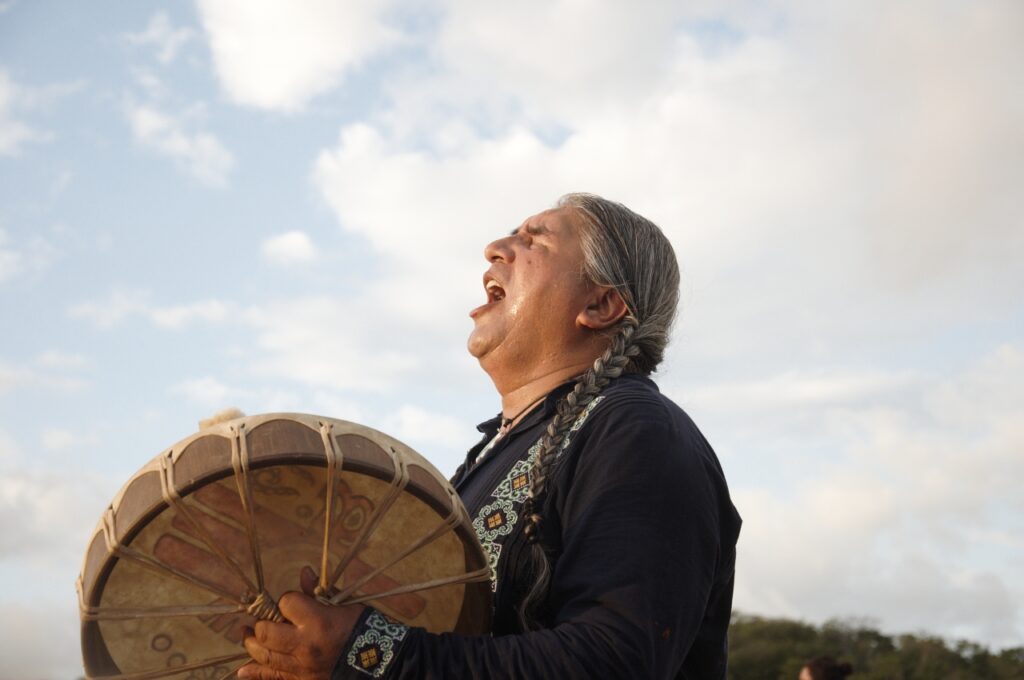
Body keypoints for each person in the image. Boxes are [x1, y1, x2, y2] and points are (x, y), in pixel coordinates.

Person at [237, 193, 742, 679]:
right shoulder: (496, 451)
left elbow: (614, 659)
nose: (495, 248)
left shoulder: (637, 432)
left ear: (601, 305)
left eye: (535, 240)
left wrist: (364, 653)